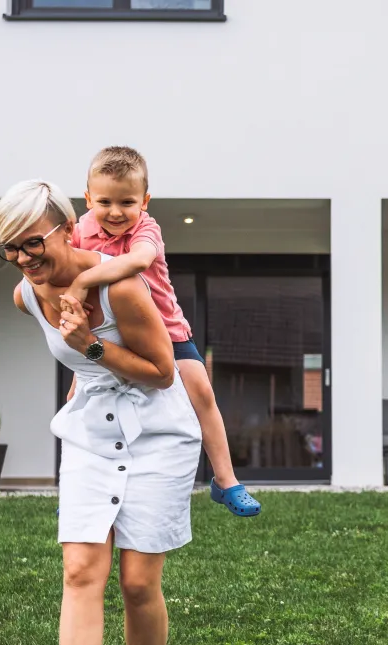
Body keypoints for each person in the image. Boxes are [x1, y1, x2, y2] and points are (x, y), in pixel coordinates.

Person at [0, 178, 202, 645]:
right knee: (81, 570)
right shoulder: (27, 295)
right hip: (89, 430)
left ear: (67, 229)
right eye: (11, 248)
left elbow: (163, 373)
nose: (25, 259)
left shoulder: (122, 288)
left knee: (137, 583)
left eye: (33, 243)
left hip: (158, 431)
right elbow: (80, 363)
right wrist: (85, 367)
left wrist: (90, 346)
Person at [61, 146, 261, 518]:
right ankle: (78, 489)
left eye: (127, 201)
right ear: (87, 198)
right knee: (78, 400)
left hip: (166, 331)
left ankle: (226, 480)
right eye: (104, 201)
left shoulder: (146, 228)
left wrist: (83, 278)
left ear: (145, 201)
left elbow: (138, 261)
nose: (116, 212)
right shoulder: (80, 230)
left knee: (201, 391)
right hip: (109, 332)